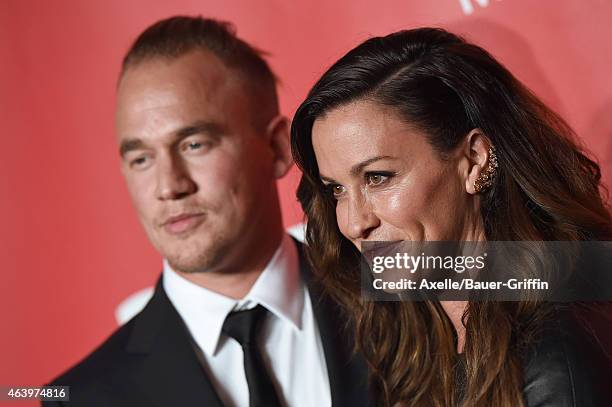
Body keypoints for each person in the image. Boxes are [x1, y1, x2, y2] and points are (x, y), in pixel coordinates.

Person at [45, 16, 372, 407]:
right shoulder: (82, 398)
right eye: (141, 159)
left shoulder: (409, 285)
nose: (169, 187)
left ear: (278, 149)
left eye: (194, 145)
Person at [290, 27, 612, 406]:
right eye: (337, 189)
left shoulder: (557, 350)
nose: (353, 222)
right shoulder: (413, 336)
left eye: (378, 178)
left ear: (474, 161)